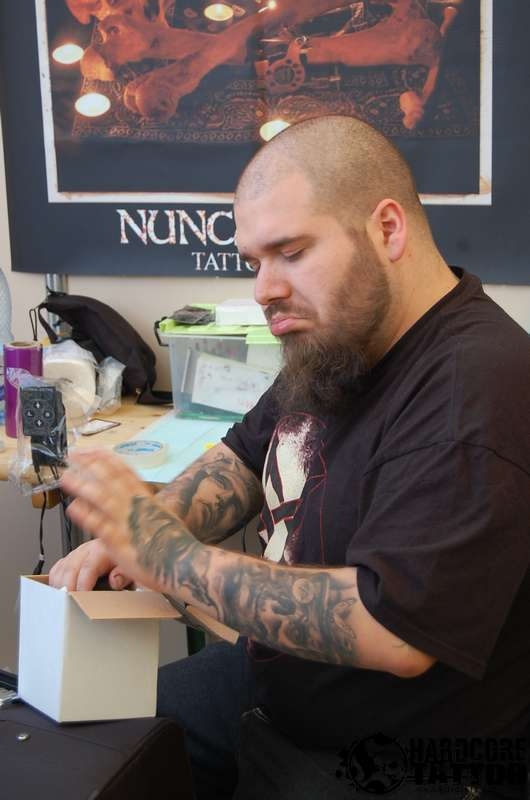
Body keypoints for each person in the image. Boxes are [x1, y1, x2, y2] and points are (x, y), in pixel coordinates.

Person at [50, 115, 530, 799]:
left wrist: (167, 556)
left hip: (392, 757)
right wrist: (136, 530)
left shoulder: (475, 386)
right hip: (272, 684)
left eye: (291, 252)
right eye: (254, 262)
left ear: (387, 230)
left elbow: (394, 631)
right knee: (78, 750)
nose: (263, 289)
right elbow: (243, 459)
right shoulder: (344, 339)